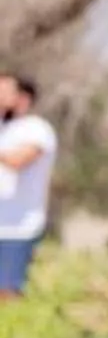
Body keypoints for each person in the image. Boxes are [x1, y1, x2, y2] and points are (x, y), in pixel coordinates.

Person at [0, 72, 58, 302]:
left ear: (23, 98)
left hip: (18, 227)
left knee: (7, 293)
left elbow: (18, 161)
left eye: (5, 90)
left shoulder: (36, 129)